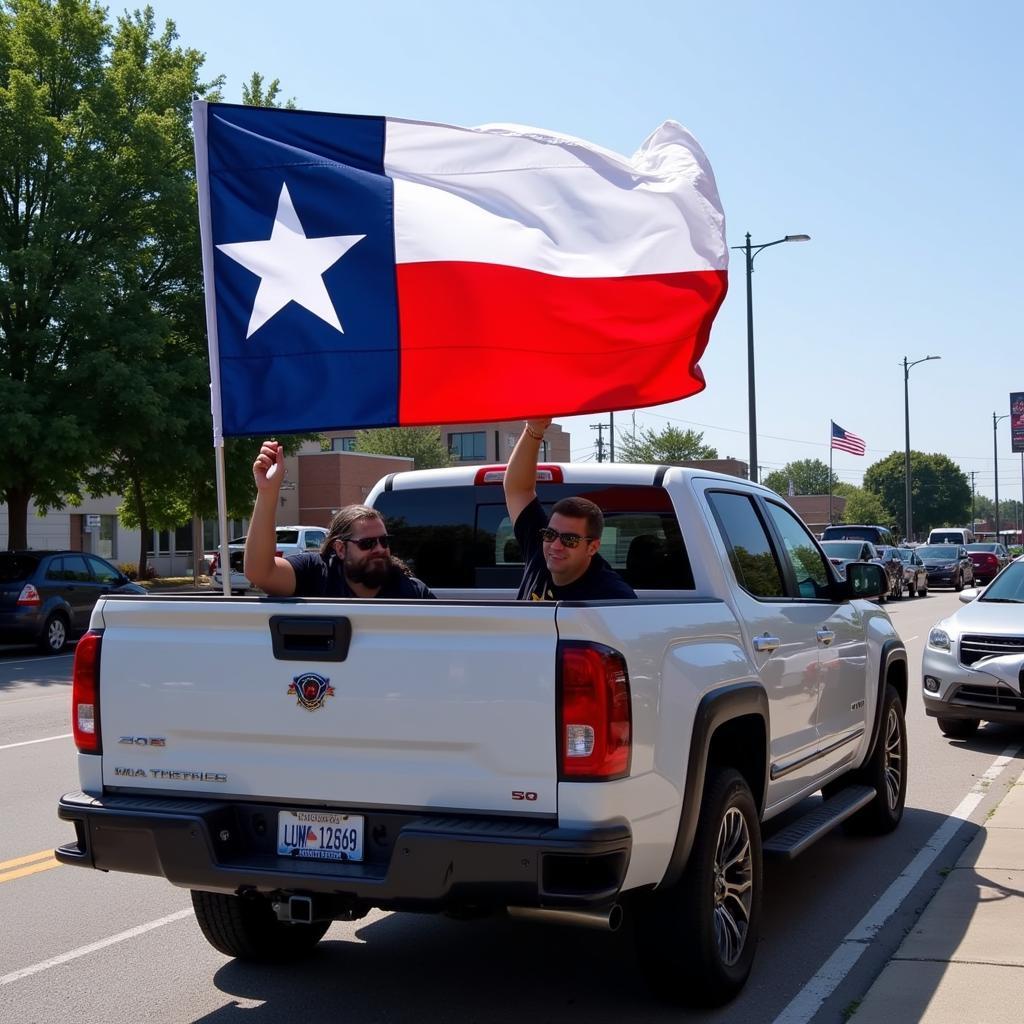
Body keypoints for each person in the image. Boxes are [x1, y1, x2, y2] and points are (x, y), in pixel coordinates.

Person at [243, 440, 434, 598]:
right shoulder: (316, 574)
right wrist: (268, 491)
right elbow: (261, 573)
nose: (380, 549)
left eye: (384, 541)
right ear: (340, 549)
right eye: (367, 543)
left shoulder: (413, 593)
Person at [503, 418, 636, 601]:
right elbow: (517, 490)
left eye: (570, 539)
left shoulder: (613, 599)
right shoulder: (541, 552)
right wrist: (534, 428)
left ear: (593, 547)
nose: (556, 545)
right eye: (550, 534)